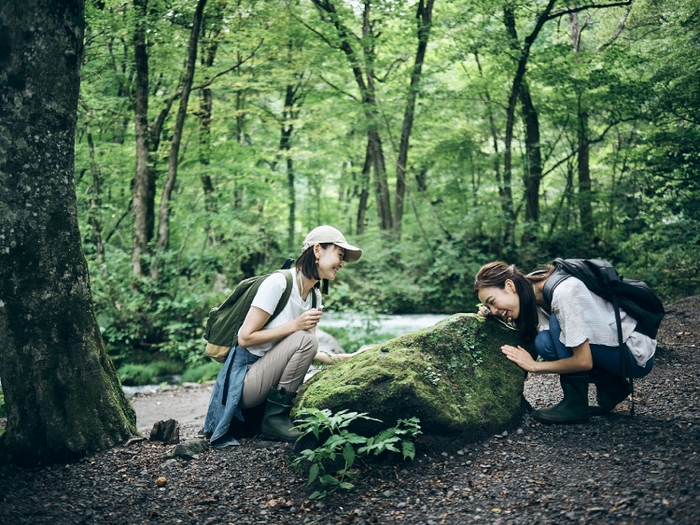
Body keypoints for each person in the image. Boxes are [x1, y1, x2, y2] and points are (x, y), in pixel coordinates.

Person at [203, 225, 362, 446]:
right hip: (244, 381)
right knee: (304, 337)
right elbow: (245, 338)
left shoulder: (315, 297)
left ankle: (275, 415)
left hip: (267, 376)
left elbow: (308, 350)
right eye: (339, 254)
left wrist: (346, 358)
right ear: (318, 250)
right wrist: (295, 325)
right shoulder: (278, 283)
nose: (341, 263)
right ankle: (274, 419)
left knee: (306, 340)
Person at [474, 261, 656, 424]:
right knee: (544, 342)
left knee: (556, 324)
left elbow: (583, 362)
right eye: (489, 307)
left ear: (509, 285)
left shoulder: (563, 294)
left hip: (633, 354)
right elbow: (523, 326)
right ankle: (613, 388)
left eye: (492, 302)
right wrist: (490, 314)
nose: (494, 310)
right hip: (615, 348)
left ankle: (575, 404)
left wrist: (533, 366)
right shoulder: (532, 291)